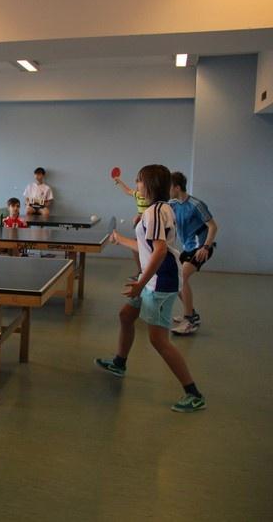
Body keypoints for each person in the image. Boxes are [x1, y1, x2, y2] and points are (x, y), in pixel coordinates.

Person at [95, 164, 206, 413]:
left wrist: (140, 284)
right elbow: (147, 246)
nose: (136, 185)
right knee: (126, 315)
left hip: (160, 281)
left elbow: (160, 251)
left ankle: (194, 394)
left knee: (158, 340)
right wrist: (120, 239)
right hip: (153, 277)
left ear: (151, 184)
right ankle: (119, 363)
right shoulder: (159, 209)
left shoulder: (154, 212)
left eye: (139, 180)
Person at [169, 171, 218, 335]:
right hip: (188, 248)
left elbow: (213, 226)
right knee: (175, 279)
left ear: (177, 187)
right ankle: (191, 313)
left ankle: (189, 320)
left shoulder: (196, 204)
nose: (167, 190)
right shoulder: (173, 204)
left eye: (169, 187)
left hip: (201, 248)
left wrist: (206, 247)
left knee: (181, 278)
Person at [112, 166, 150, 276]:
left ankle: (146, 272)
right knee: (136, 248)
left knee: (144, 249)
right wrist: (119, 181)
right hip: (141, 225)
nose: (136, 184)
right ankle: (141, 272)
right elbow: (128, 190)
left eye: (139, 181)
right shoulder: (138, 195)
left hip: (149, 226)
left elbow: (151, 212)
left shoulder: (151, 198)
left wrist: (141, 216)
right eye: (137, 181)